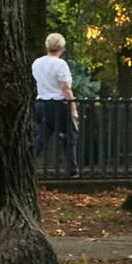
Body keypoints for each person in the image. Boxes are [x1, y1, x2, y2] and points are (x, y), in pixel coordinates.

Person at [31, 32, 76, 172]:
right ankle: (72, 169)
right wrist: (73, 108)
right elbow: (65, 88)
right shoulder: (60, 64)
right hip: (58, 104)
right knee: (68, 137)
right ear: (61, 47)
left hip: (40, 103)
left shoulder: (37, 63)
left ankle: (27, 163)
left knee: (41, 138)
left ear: (47, 46)